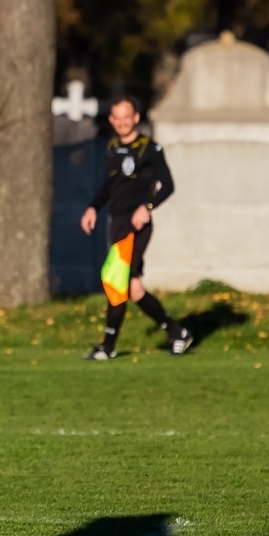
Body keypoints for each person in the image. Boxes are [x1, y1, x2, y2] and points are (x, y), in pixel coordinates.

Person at [80, 97, 192, 359]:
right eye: (116, 118)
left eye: (126, 117)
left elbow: (168, 186)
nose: (121, 122)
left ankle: (107, 347)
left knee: (115, 280)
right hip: (117, 224)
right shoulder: (112, 147)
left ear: (136, 118)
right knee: (134, 289)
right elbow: (110, 186)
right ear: (111, 120)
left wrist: (147, 207)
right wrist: (93, 208)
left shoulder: (150, 148)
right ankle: (177, 332)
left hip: (136, 225)